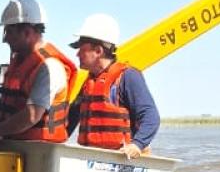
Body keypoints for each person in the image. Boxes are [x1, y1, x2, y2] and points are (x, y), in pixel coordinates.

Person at [0, 0, 78, 149]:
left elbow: (32, 115)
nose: (5, 39)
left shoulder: (49, 67)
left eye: (8, 31)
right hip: (17, 149)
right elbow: (7, 108)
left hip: (40, 153)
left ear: (27, 32)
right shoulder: (19, 64)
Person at [68, 13, 160, 158]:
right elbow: (71, 118)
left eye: (81, 49)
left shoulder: (128, 77)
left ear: (98, 51)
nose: (77, 54)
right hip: (93, 158)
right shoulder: (89, 82)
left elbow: (151, 117)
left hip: (123, 160)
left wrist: (137, 145)